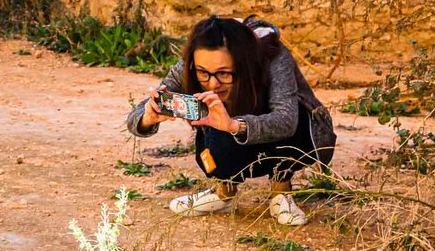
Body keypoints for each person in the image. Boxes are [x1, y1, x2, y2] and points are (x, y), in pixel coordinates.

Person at [126, 16, 337, 225]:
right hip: (234, 125)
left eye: (224, 73)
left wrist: (233, 126)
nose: (212, 83)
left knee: (283, 116)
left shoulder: (272, 55)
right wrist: (148, 117)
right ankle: (223, 191)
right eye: (203, 73)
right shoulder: (195, 64)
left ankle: (281, 190)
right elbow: (136, 116)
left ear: (243, 63)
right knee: (214, 129)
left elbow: (286, 120)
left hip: (298, 133)